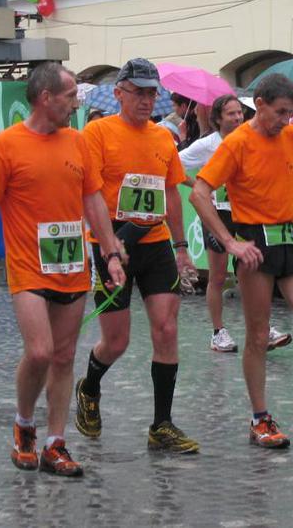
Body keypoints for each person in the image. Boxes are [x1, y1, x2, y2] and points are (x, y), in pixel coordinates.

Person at [0, 63, 126, 477]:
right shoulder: (6, 145)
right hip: (28, 268)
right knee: (39, 352)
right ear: (45, 98)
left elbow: (93, 201)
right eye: (70, 96)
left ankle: (56, 442)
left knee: (63, 356)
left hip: (71, 265)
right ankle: (24, 425)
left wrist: (110, 253)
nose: (76, 104)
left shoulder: (77, 142)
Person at [192, 73, 293, 453]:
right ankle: (260, 418)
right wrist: (230, 242)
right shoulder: (237, 143)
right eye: (280, 112)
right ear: (259, 105)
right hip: (256, 245)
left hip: (292, 243)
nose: (286, 119)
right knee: (259, 337)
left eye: (291, 112)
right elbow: (199, 192)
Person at [74, 58, 200, 454]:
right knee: (117, 341)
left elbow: (171, 195)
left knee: (166, 329)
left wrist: (181, 248)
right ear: (119, 93)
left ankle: (162, 424)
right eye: (138, 92)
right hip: (112, 241)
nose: (146, 100)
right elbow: (90, 194)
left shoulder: (163, 138)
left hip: (154, 241)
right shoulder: (97, 133)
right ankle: (89, 387)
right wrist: (109, 243)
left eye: (151, 93)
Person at [179, 94, 293, 354]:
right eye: (231, 113)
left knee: (255, 274)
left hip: (246, 214)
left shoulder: (250, 138)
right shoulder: (207, 144)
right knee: (218, 276)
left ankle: (264, 328)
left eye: (240, 112)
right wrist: (198, 185)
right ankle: (218, 332)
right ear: (218, 119)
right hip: (219, 216)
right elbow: (173, 162)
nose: (238, 117)